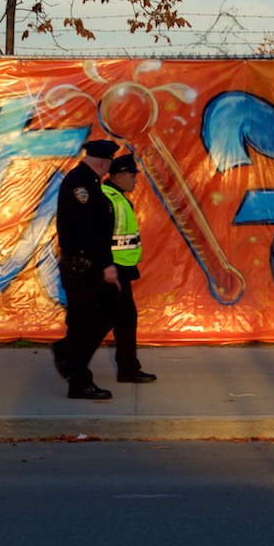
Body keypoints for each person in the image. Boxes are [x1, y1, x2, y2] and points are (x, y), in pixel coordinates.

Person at [52, 139, 120, 400]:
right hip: (83, 266)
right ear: (104, 162)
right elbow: (87, 230)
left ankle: (68, 353)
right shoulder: (80, 184)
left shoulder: (90, 182)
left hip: (91, 264)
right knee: (82, 322)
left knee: (113, 307)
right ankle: (78, 381)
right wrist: (107, 265)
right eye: (108, 165)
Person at [102, 154, 157, 384]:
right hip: (112, 270)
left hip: (119, 269)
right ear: (119, 175)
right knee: (116, 320)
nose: (136, 180)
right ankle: (69, 357)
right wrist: (107, 268)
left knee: (122, 319)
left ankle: (128, 369)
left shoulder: (117, 197)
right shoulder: (108, 199)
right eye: (132, 175)